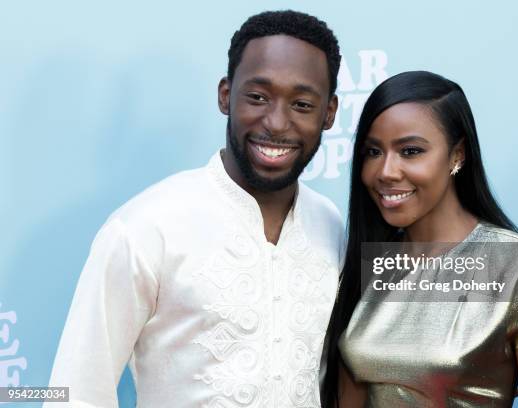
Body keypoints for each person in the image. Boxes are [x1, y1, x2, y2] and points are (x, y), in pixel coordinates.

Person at [47, 10, 344, 407]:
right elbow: (77, 392)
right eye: (257, 97)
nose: (276, 122)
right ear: (225, 95)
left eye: (302, 104)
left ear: (329, 113)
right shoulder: (145, 228)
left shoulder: (332, 225)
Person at [322, 71, 518, 407]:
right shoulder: (364, 262)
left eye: (410, 151)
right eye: (373, 152)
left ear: (457, 155)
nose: (385, 171)